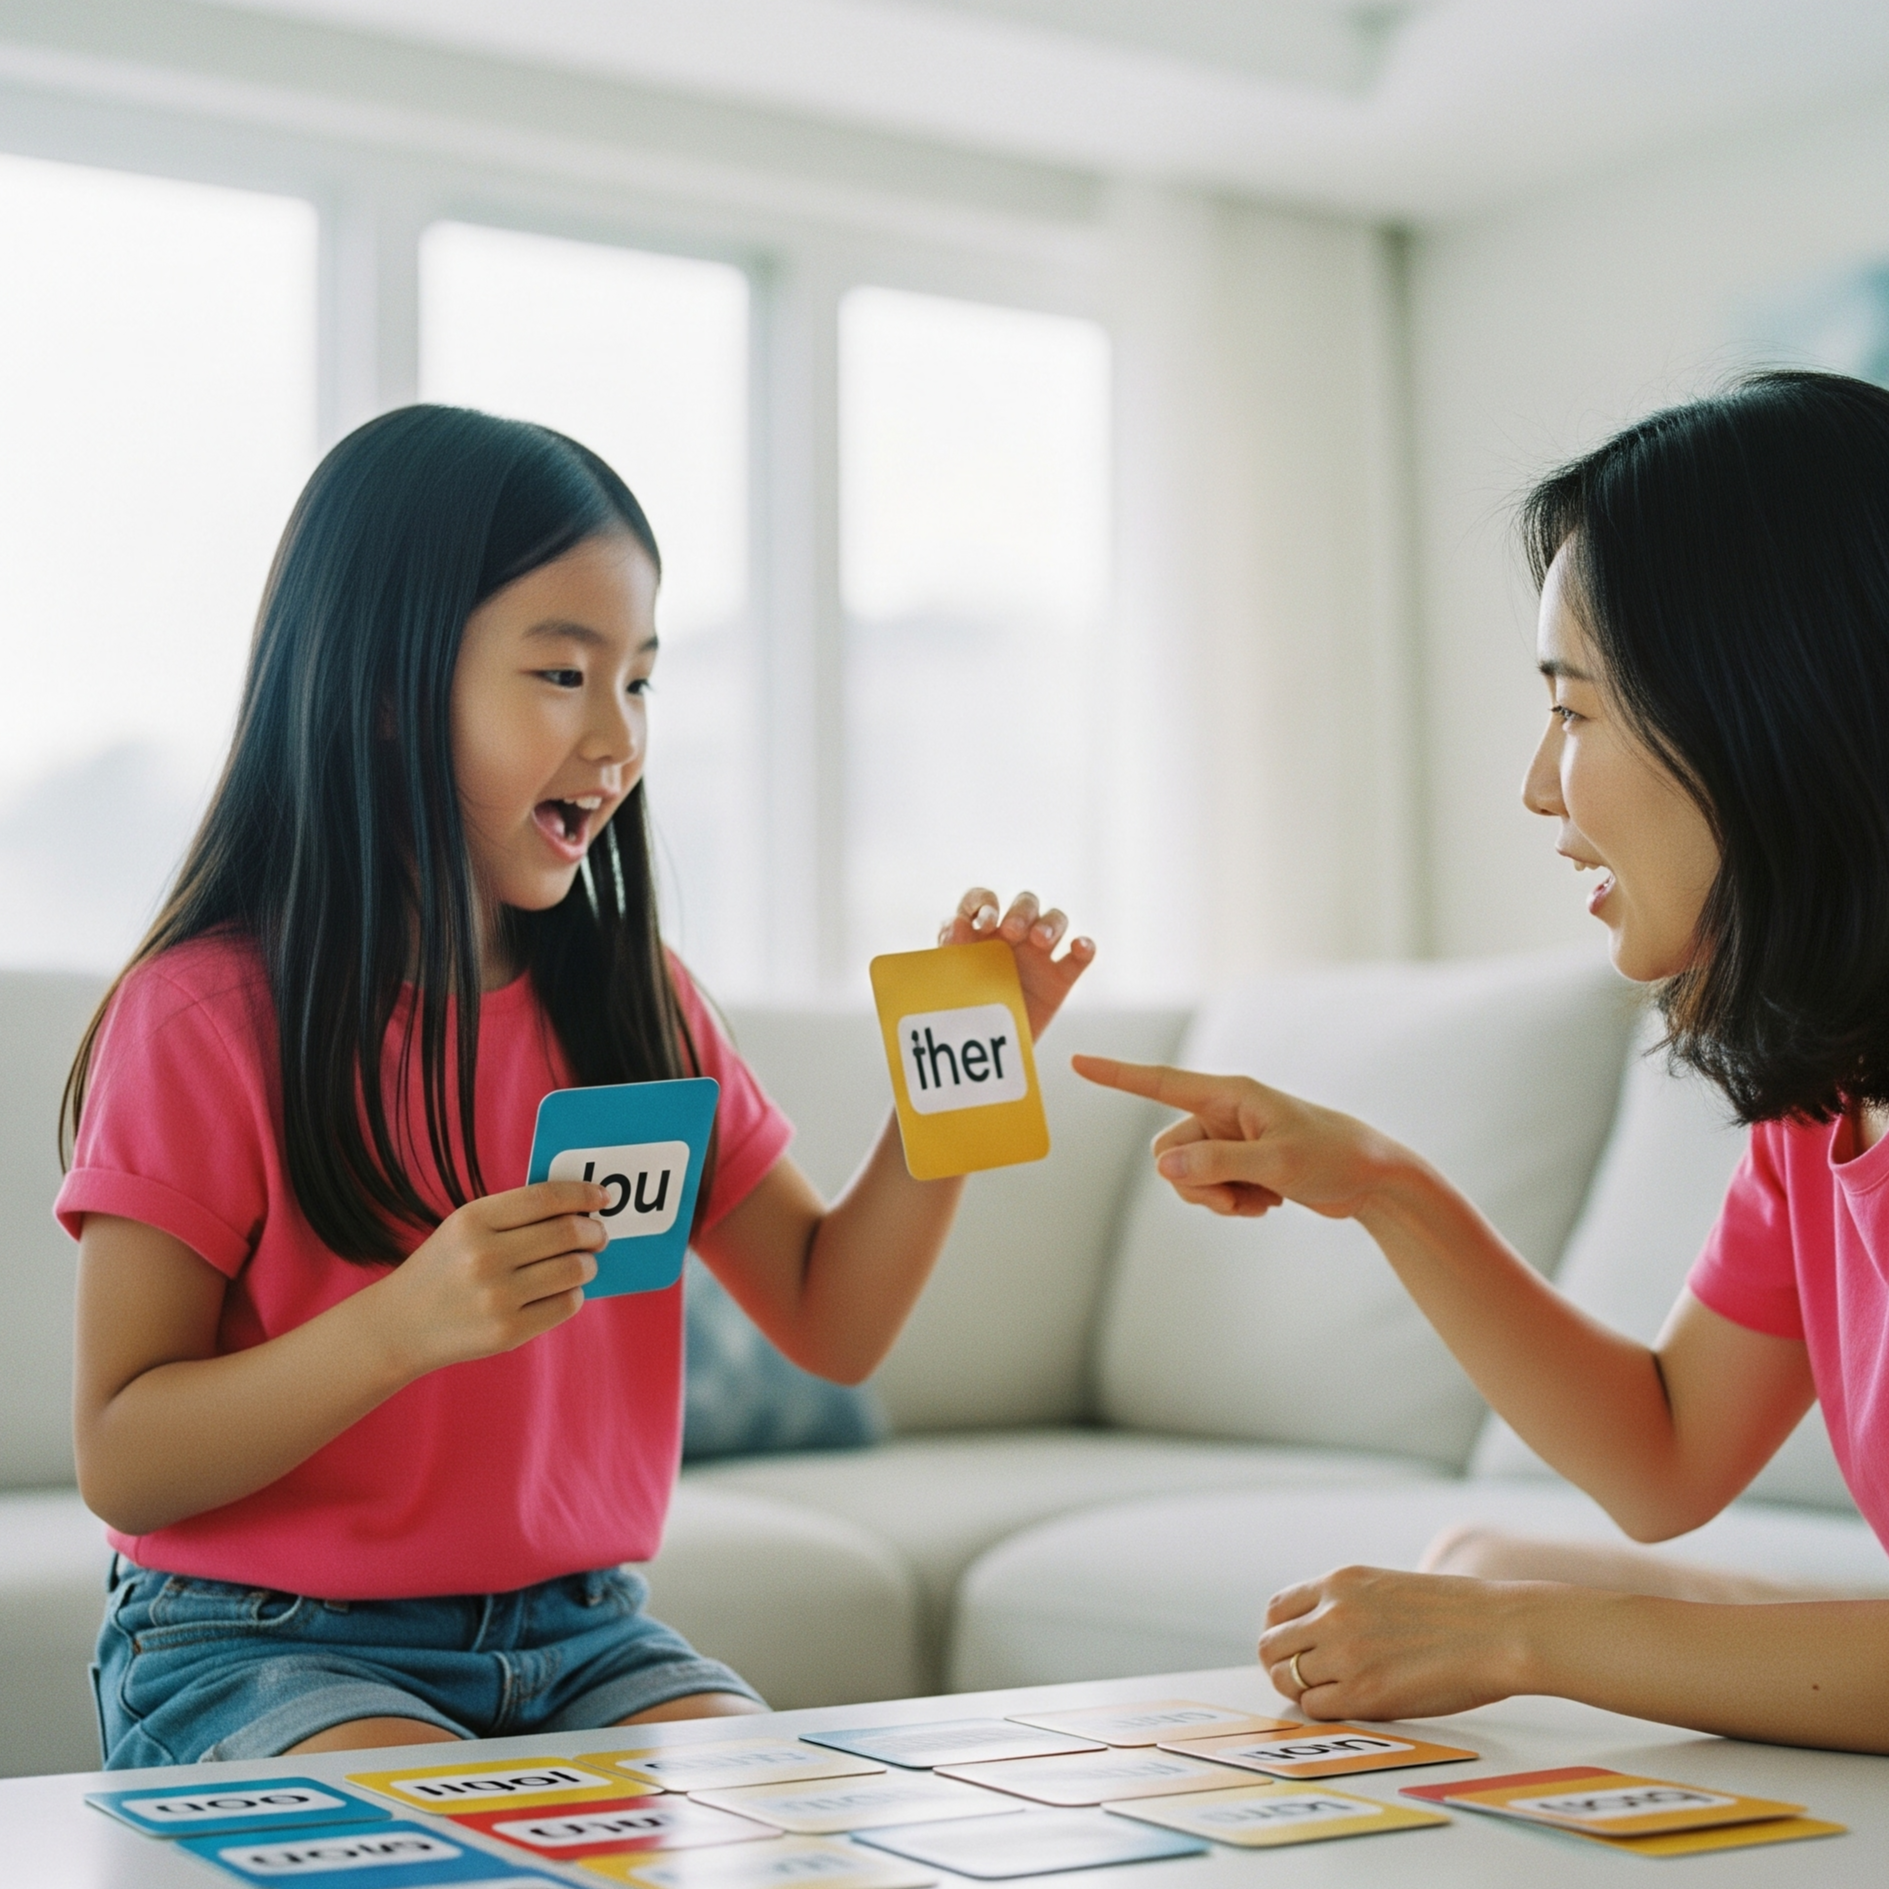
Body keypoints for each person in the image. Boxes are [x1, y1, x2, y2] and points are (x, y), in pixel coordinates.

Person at [61, 405, 1093, 1768]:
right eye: (561, 674)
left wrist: (967, 1075)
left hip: (587, 1637)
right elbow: (124, 1457)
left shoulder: (634, 997)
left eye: (643, 682)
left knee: (781, 1827)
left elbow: (833, 1317)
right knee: (439, 1852)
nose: (618, 736)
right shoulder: (205, 1017)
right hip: (262, 1638)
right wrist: (405, 1324)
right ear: (384, 691)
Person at [1076, 370, 1889, 1754]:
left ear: (1767, 712)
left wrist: (1524, 1641)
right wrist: (1381, 1184)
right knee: (1491, 1560)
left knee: (1503, 1602)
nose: (1536, 785)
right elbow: (1667, 1454)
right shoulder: (1821, 1115)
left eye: (1573, 713)